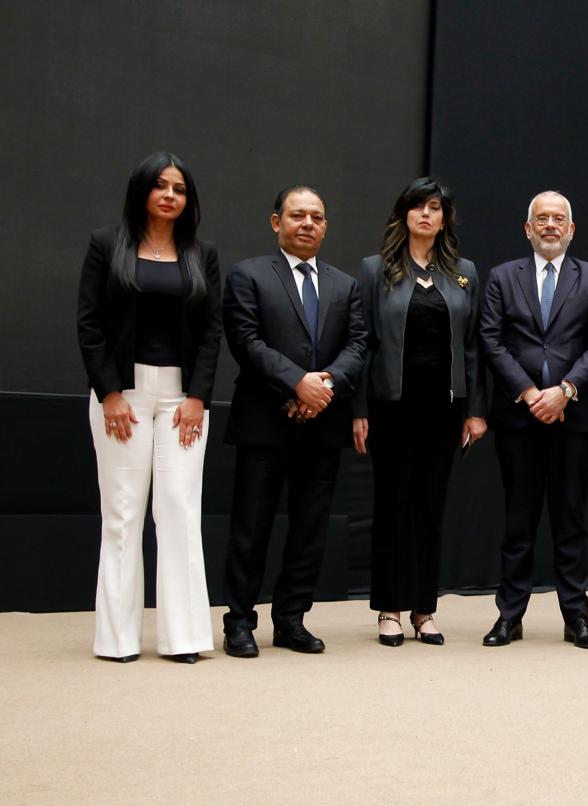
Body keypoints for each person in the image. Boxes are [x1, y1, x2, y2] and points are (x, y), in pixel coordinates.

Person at [76, 150, 222, 664]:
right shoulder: (106, 245)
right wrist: (110, 392)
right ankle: (117, 640)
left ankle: (184, 638)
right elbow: (90, 324)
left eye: (179, 189)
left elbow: (211, 332)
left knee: (179, 511)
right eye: (160, 185)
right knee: (122, 514)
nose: (169, 195)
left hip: (183, 398)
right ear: (142, 190)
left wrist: (198, 396)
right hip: (124, 394)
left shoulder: (201, 254)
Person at [220, 186, 367, 657]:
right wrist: (296, 384)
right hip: (264, 422)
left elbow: (358, 345)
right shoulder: (248, 275)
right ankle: (239, 621)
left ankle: (291, 620)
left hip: (322, 424)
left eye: (317, 217)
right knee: (251, 528)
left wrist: (324, 385)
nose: (307, 224)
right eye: (297, 215)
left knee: (309, 531)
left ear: (326, 226)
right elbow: (245, 340)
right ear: (276, 222)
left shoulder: (346, 285)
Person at [353, 177, 487, 647]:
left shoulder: (464, 272)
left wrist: (476, 410)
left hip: (445, 408)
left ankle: (424, 610)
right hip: (391, 406)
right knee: (393, 505)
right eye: (418, 206)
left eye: (435, 207)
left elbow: (473, 346)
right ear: (404, 214)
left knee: (431, 507)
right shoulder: (375, 270)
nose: (426, 214)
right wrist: (358, 408)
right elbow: (362, 343)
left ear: (445, 219)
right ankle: (389, 608)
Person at [478, 191, 588, 649]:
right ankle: (509, 617)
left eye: (559, 219)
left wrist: (565, 391)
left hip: (573, 418)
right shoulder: (502, 277)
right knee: (518, 521)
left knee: (571, 521)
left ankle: (577, 617)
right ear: (528, 228)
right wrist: (529, 391)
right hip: (519, 417)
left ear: (571, 230)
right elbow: (491, 339)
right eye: (542, 219)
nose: (550, 225)